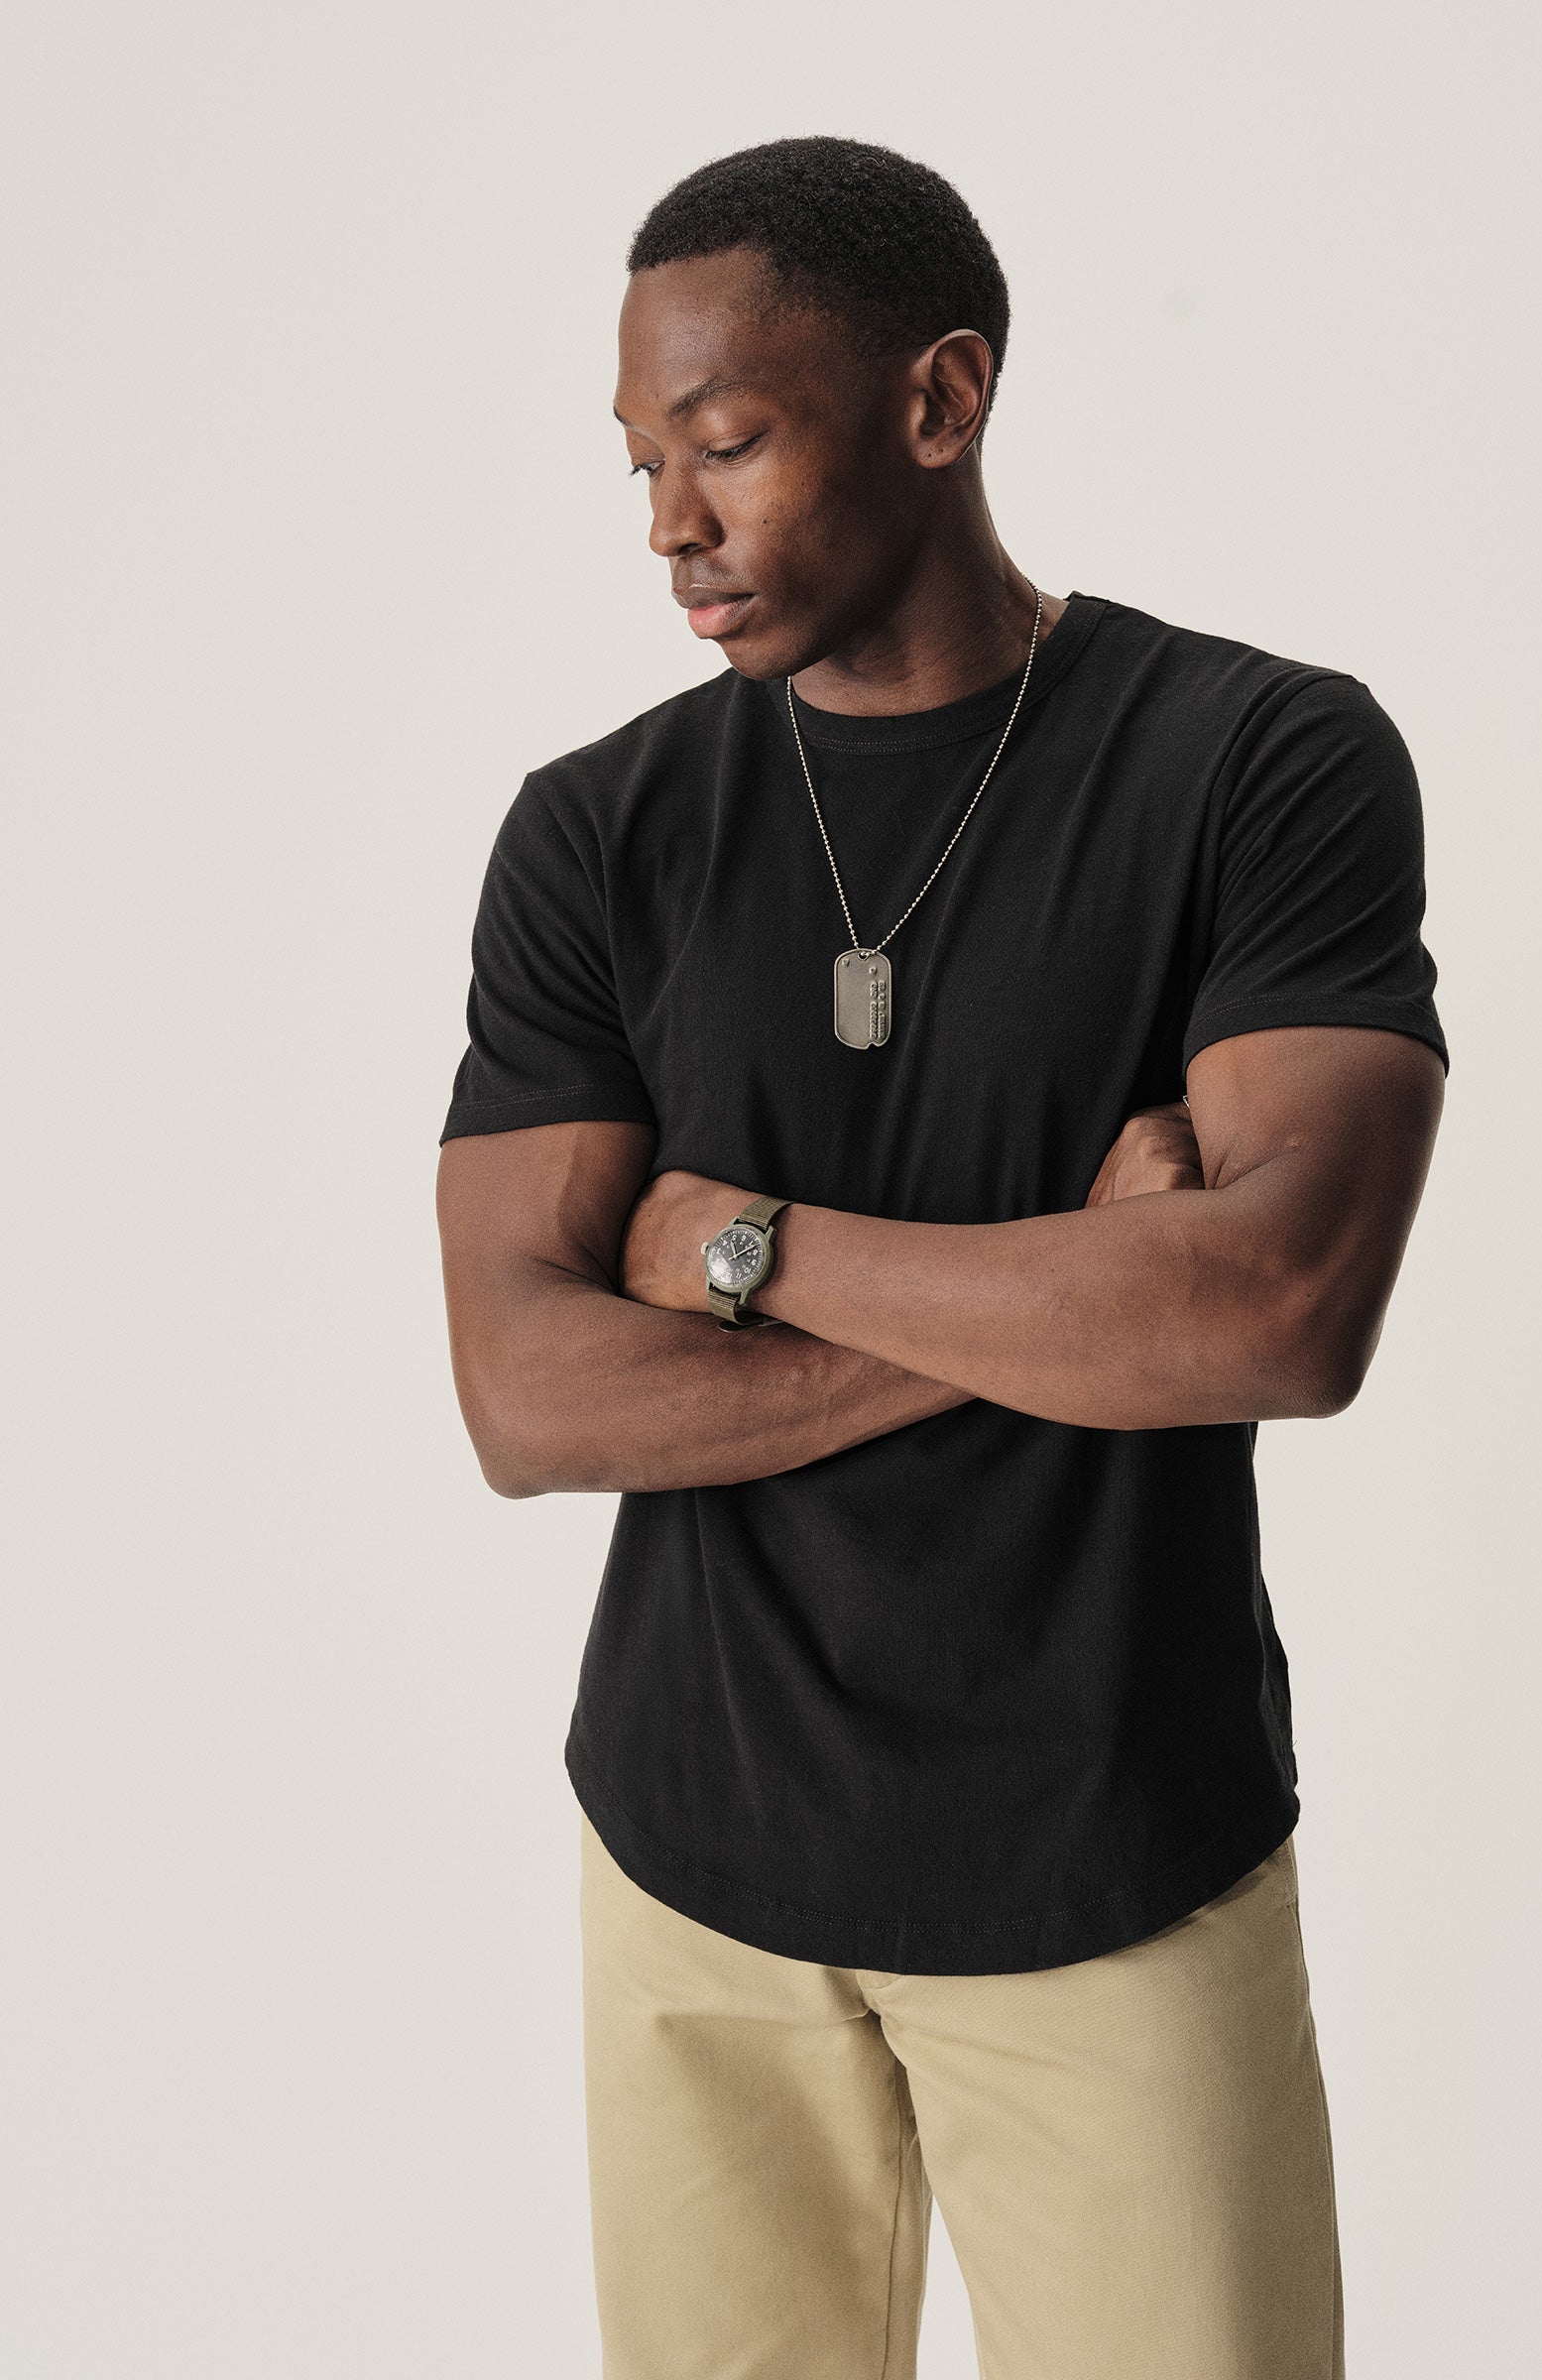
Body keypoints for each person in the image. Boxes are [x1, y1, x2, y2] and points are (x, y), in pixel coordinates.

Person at [435, 134, 1446, 2380]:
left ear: (939, 398)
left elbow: (1280, 1310)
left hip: (1111, 1867)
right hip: (692, 1873)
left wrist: (740, 1247)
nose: (671, 524)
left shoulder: (1255, 761)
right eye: (641, 465)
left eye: (725, 442)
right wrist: (1074, 1283)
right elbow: (525, 1396)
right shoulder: (598, 831)